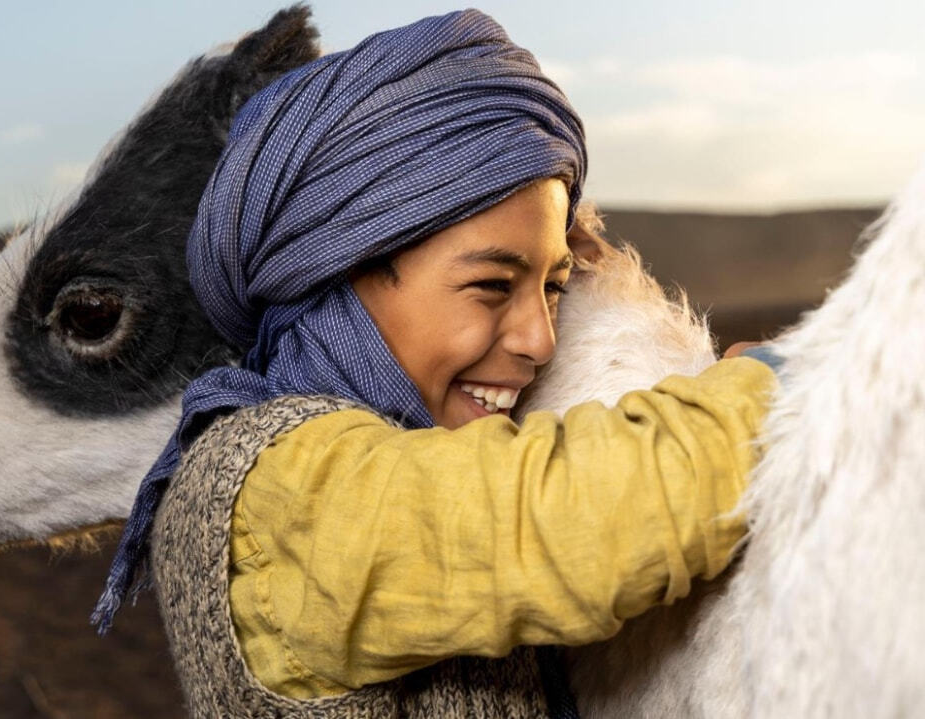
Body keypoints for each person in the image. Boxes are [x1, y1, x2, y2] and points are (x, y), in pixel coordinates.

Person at [94, 9, 778, 717]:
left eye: (552, 287)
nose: (539, 340)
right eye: (491, 286)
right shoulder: (268, 489)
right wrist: (781, 389)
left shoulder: (398, 448)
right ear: (332, 270)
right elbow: (548, 524)